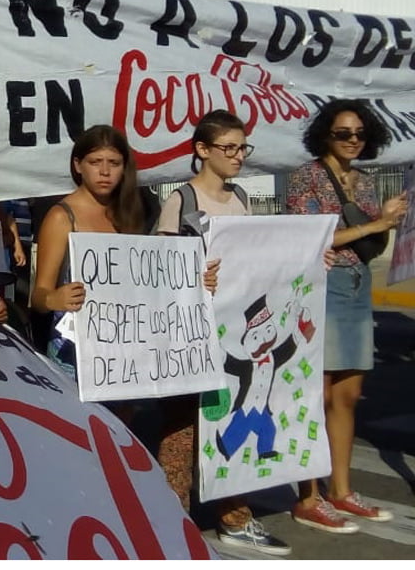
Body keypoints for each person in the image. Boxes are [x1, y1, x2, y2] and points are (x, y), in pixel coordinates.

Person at [152, 110, 291, 556]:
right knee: (181, 427)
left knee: (230, 418)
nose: (238, 157)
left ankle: (235, 515)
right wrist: (195, 276)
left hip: (233, 333)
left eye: (242, 148)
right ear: (202, 151)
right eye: (228, 148)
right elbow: (162, 269)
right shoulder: (182, 202)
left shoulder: (242, 198)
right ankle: (174, 517)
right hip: (190, 332)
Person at [286, 99, 406, 532]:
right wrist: (377, 225)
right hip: (322, 290)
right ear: (325, 135)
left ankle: (341, 489)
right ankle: (309, 496)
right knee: (316, 397)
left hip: (357, 290)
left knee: (348, 396)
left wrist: (387, 220)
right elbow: (313, 237)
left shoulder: (366, 181)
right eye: (343, 133)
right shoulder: (307, 177)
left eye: (359, 133)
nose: (352, 140)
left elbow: (362, 239)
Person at [30, 125, 145, 380]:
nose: (104, 171)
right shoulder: (61, 217)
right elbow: (39, 295)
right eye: (95, 162)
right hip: (73, 355)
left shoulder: (127, 215)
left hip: (122, 351)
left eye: (114, 163)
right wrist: (53, 300)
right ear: (78, 165)